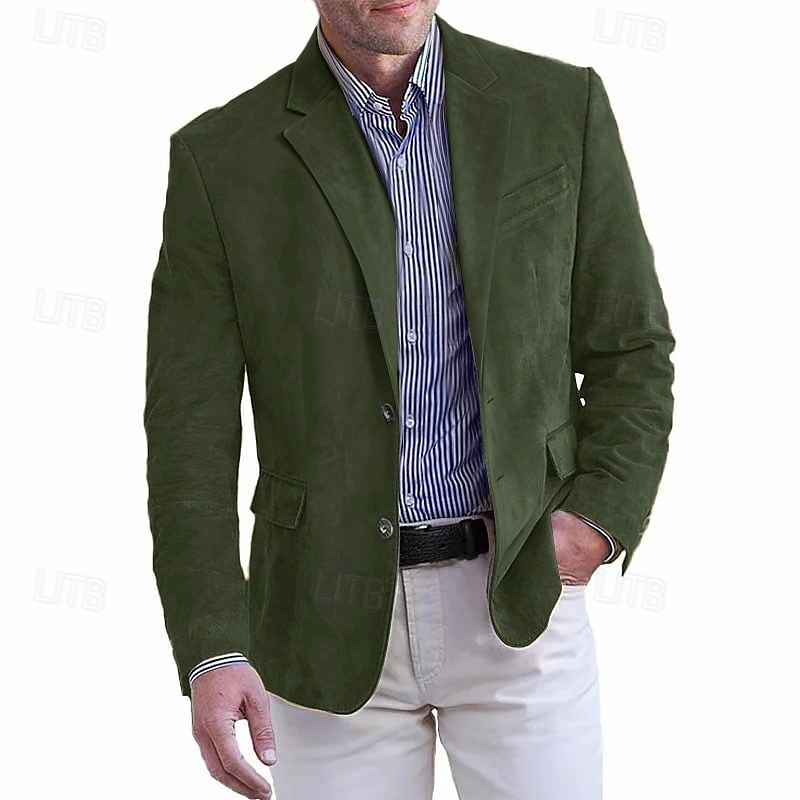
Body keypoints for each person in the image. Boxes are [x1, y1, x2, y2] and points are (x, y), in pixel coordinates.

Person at [143, 2, 675, 798]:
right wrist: (212, 644)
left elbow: (631, 348)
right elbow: (190, 430)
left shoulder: (560, 107)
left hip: (521, 598)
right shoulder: (222, 157)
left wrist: (597, 519)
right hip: (321, 623)